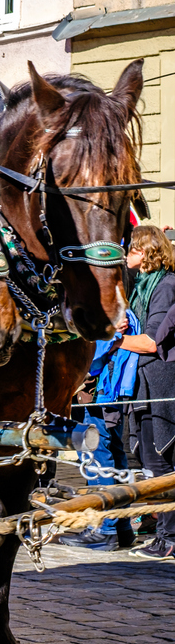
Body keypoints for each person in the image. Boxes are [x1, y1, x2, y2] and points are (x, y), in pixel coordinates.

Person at [57, 309, 141, 551]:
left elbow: (94, 356)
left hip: (100, 393)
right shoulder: (114, 312)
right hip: (103, 394)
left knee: (98, 457)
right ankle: (120, 526)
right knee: (112, 456)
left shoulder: (110, 314)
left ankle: (104, 528)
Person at [117, 226, 175, 559]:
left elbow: (152, 342)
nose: (127, 256)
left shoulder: (166, 287)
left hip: (161, 384)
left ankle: (170, 538)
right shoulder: (142, 287)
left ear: (146, 252)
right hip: (143, 384)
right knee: (147, 457)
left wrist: (113, 340)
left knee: (161, 460)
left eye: (132, 249)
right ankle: (160, 527)